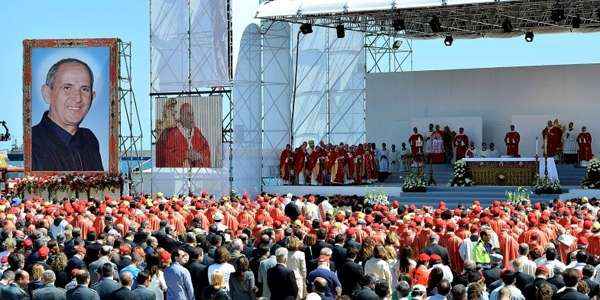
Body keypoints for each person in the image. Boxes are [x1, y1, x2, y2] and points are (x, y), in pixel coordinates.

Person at [32, 58, 103, 171]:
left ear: (92, 97)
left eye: (84, 89)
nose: (77, 98)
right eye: (67, 88)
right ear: (47, 94)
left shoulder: (89, 140)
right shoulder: (32, 142)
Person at [156, 102, 211, 168]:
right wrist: (185, 155)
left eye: (192, 114)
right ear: (182, 116)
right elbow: (167, 156)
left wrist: (199, 156)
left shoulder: (197, 132)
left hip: (196, 174)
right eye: (188, 114)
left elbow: (206, 150)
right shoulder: (172, 133)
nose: (192, 117)